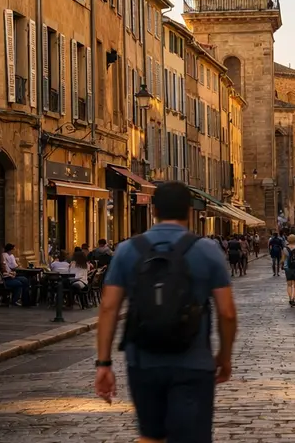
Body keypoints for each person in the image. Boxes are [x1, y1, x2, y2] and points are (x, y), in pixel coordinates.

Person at [94, 182, 236, 443]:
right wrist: (224, 357)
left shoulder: (127, 250)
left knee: (150, 436)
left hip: (143, 361)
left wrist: (104, 363)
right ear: (189, 211)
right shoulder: (207, 250)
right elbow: (226, 312)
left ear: (154, 209)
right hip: (194, 362)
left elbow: (109, 307)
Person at [283, 234, 295, 307]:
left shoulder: (285, 249)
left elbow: (283, 259)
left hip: (288, 268)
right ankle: (293, 298)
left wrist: (282, 265)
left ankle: (290, 298)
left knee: (289, 285)